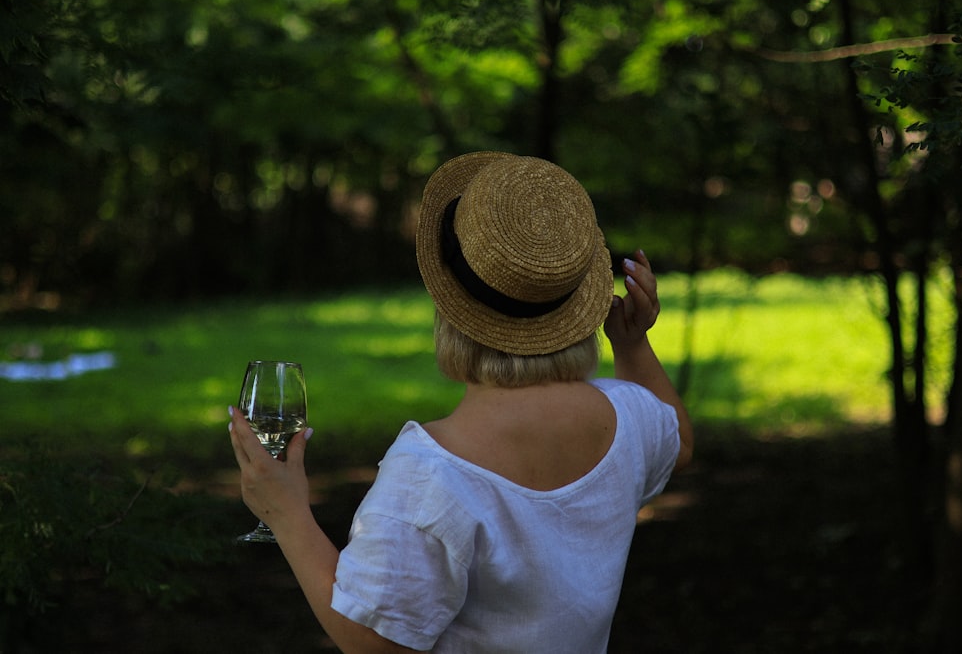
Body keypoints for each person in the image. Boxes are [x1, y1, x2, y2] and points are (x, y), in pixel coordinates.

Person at [229, 151, 694, 653]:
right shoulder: (629, 416)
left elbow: (374, 642)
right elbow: (679, 442)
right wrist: (632, 344)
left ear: (448, 307)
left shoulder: (431, 475)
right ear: (580, 301)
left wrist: (288, 514)